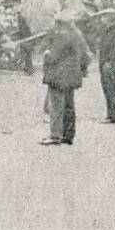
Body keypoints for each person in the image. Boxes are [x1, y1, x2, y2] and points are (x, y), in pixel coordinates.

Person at [40, 9, 92, 146]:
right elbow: (86, 55)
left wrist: (46, 54)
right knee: (69, 105)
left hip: (58, 76)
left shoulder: (62, 35)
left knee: (56, 105)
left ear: (60, 23)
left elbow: (52, 56)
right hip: (71, 75)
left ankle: (55, 135)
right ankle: (68, 135)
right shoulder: (76, 34)